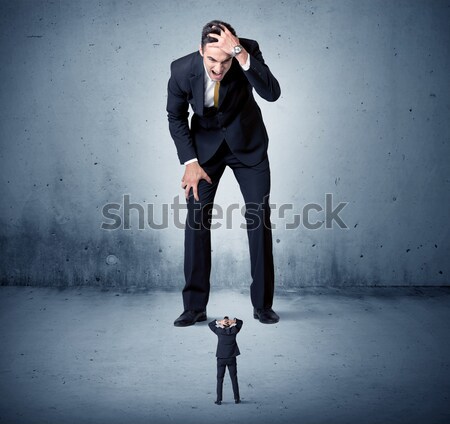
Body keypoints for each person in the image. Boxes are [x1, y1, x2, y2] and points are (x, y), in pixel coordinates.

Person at [167, 20, 281, 326]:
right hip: (204, 154)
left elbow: (271, 94)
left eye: (225, 60)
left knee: (258, 218)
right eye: (212, 60)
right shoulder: (180, 70)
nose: (218, 68)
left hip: (248, 147)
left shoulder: (246, 51)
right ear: (201, 50)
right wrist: (189, 161)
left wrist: (240, 53)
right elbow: (175, 116)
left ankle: (262, 304)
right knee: (196, 219)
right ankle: (194, 307)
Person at [208, 316, 243, 404]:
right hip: (231, 358)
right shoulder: (234, 331)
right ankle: (237, 399)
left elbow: (210, 324)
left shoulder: (219, 332)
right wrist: (233, 321)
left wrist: (219, 322)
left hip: (221, 358)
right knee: (234, 378)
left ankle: (219, 399)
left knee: (220, 379)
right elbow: (240, 322)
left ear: (223, 325)